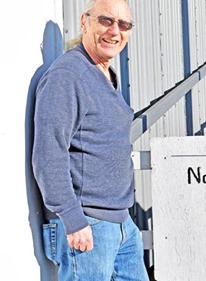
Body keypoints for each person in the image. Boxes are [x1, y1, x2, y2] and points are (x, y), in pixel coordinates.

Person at [32, 0, 149, 280]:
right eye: (106, 20)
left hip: (121, 222)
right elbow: (49, 152)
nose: (115, 31)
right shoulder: (68, 76)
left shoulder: (104, 74)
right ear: (85, 22)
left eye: (124, 25)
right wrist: (73, 219)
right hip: (88, 224)